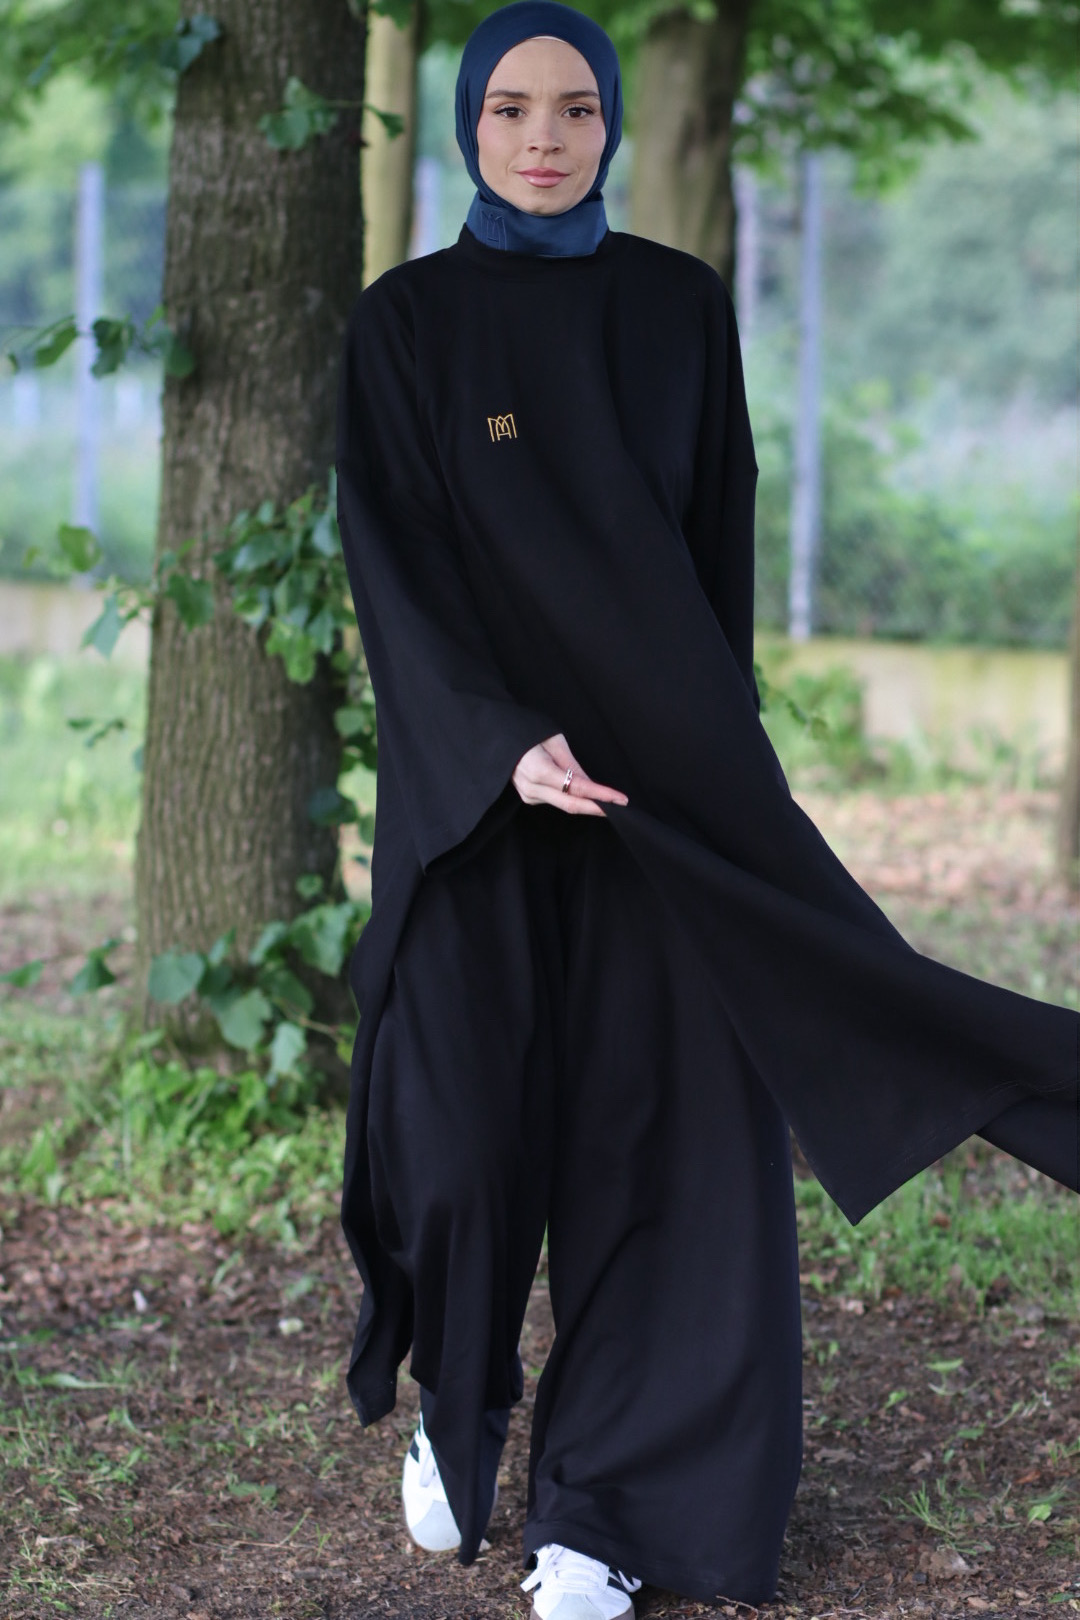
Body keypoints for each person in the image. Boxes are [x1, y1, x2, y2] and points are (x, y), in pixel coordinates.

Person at [333, 4, 1079, 1615]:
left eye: (577, 108)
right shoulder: (406, 325)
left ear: (611, 125)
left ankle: (606, 1513)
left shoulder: (679, 309)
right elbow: (391, 566)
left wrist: (712, 775)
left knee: (656, 1151)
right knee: (454, 1147)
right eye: (513, 107)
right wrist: (494, 743)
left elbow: (710, 553)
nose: (546, 137)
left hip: (658, 804)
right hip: (472, 806)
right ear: (468, 125)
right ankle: (461, 1402)